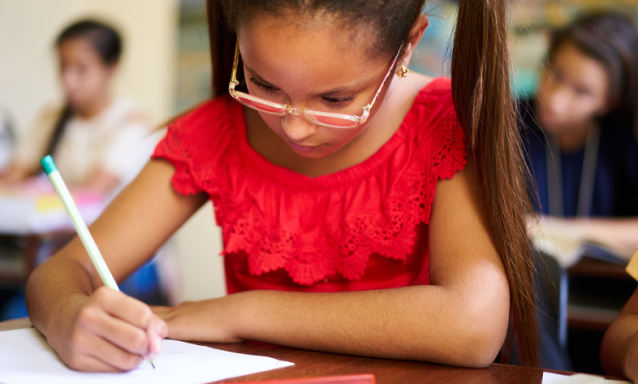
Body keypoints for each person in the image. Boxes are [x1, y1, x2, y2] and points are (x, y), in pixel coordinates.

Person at [25, 0, 539, 372]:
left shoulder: (443, 123)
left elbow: (471, 325)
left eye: (336, 99)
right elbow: (61, 270)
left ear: (408, 44)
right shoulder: (215, 132)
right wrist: (69, 314)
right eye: (264, 84)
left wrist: (240, 312)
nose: (295, 126)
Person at [520, 12, 638, 250]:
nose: (555, 100)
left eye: (582, 91)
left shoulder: (626, 139)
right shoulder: (509, 122)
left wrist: (560, 230)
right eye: (556, 73)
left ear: (609, 102)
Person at [0, 20, 155, 195]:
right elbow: (11, 180)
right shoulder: (50, 118)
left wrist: (32, 192)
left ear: (112, 67)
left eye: (81, 69)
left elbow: (91, 193)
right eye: (62, 66)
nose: (68, 80)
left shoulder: (134, 122)